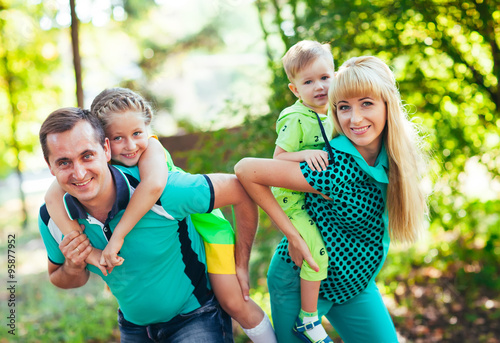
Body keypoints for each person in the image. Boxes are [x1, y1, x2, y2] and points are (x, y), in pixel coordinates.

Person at [43, 88, 276, 342]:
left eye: (87, 155)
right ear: (51, 166)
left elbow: (234, 190)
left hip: (198, 293)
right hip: (134, 326)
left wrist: (241, 263)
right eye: (64, 162)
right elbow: (53, 201)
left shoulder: (164, 183)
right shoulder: (56, 207)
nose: (78, 173)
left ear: (104, 149)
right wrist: (77, 260)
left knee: (234, 301)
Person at [235, 56, 428, 343]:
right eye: (343, 107)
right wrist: (293, 236)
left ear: (388, 104)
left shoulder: (396, 156)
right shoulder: (335, 167)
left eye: (366, 103)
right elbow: (246, 170)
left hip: (354, 282)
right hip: (303, 283)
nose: (355, 118)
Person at [271, 40, 334, 343]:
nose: (319, 86)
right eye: (308, 82)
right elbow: (278, 160)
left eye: (324, 77)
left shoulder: (334, 112)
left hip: (311, 196)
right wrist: (305, 154)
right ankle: (308, 319)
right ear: (295, 89)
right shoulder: (296, 118)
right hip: (292, 201)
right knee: (315, 254)